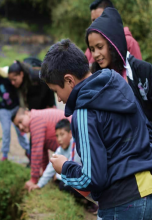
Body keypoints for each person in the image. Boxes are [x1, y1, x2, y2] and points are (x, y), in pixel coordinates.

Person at [40, 38, 152, 219]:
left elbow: (92, 179)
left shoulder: (84, 112)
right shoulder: (117, 83)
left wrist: (65, 168)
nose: (59, 99)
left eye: (55, 91)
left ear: (69, 80)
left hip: (120, 204)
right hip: (147, 192)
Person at [85, 7, 152, 123]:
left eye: (100, 47)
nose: (95, 54)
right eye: (92, 49)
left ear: (113, 44)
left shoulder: (143, 71)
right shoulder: (96, 80)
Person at [12, 108, 70, 190]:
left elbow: (36, 152)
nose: (20, 127)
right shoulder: (36, 118)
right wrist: (45, 175)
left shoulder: (35, 120)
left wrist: (33, 179)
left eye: (20, 121)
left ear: (27, 113)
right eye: (17, 126)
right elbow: (42, 152)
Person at [28, 119, 81, 191]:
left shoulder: (77, 146)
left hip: (83, 178)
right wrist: (39, 185)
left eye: (62, 134)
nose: (59, 139)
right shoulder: (60, 149)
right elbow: (50, 167)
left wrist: (58, 176)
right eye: (57, 136)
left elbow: (74, 171)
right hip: (74, 179)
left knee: (62, 185)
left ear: (70, 133)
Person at [85, 0, 142, 65]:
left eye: (100, 47)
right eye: (93, 20)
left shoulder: (129, 43)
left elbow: (139, 71)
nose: (96, 23)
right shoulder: (91, 49)